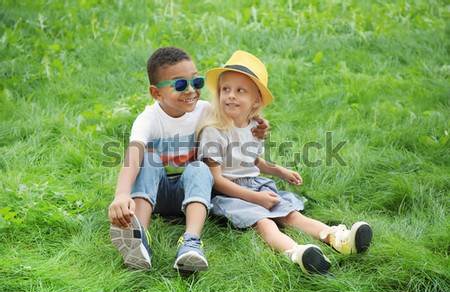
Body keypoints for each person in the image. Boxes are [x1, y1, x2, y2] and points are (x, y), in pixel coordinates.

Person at [198, 50, 373, 274]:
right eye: (226, 89)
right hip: (227, 194)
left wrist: (279, 171)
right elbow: (216, 179)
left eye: (240, 90)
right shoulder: (214, 131)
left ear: (256, 100)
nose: (231, 95)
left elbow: (251, 160)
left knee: (291, 214)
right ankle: (297, 253)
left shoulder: (253, 128)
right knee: (264, 221)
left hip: (255, 184)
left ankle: (338, 238)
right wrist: (255, 198)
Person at [108, 47, 269, 272]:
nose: (191, 90)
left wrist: (257, 123)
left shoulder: (204, 110)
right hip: (157, 193)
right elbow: (133, 156)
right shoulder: (148, 120)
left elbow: (236, 114)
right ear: (156, 93)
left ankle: (190, 241)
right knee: (149, 160)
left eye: (197, 82)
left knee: (200, 167)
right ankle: (139, 238)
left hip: (194, 192)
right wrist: (122, 194)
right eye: (180, 85)